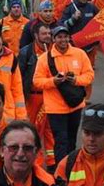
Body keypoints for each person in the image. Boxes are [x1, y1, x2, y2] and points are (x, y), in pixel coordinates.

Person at [33, 26, 94, 164]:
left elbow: (89, 75)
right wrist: (53, 81)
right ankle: (60, 172)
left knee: (72, 140)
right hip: (55, 108)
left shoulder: (80, 54)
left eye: (65, 36)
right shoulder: (44, 59)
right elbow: (37, 81)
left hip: (75, 105)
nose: (63, 40)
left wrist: (76, 80)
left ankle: (71, 167)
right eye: (59, 37)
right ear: (54, 39)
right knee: (61, 141)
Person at [19, 22, 55, 169]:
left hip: (51, 96)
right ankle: (37, 163)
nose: (47, 37)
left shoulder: (55, 50)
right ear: (35, 35)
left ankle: (52, 162)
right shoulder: (26, 52)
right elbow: (19, 76)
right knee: (33, 129)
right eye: (44, 34)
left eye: (49, 34)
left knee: (49, 129)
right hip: (33, 97)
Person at [61, 0, 99, 102]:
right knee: (76, 71)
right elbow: (62, 26)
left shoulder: (92, 7)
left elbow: (100, 20)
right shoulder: (70, 8)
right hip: (75, 46)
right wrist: (73, 19)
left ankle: (87, 96)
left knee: (88, 71)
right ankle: (76, 93)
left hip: (90, 46)